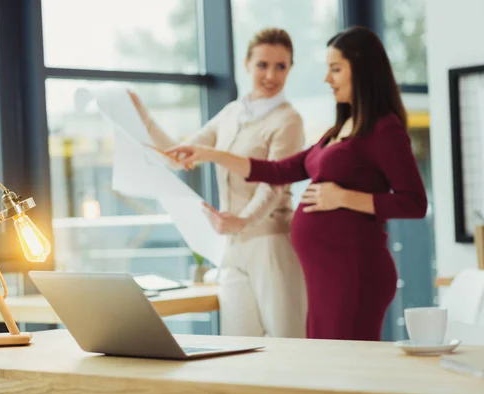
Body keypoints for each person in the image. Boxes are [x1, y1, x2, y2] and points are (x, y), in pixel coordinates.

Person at [165, 26, 428, 341]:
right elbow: (278, 170)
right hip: (323, 273)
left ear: (361, 69)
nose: (327, 79)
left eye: (335, 69)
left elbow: (415, 203)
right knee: (322, 369)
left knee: (345, 374)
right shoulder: (340, 129)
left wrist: (344, 197)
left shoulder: (385, 129)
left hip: (354, 271)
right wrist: (209, 154)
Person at [129, 28, 307, 338]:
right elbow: (179, 157)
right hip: (232, 247)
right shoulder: (232, 113)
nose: (271, 75)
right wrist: (143, 118)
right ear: (247, 64)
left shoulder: (288, 120)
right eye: (263, 64)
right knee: (237, 343)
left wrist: (244, 219)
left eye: (281, 66)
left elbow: (274, 184)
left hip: (271, 243)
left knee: (287, 341)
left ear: (291, 67)